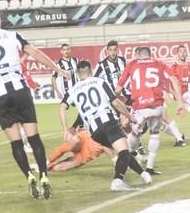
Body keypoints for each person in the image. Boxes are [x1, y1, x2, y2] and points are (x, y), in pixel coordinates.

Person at [0, 8, 69, 199]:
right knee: (34, 138)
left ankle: (28, 175)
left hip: (0, 95)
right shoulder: (12, 35)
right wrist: (57, 69)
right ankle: (44, 176)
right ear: (0, 22)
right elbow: (34, 52)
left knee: (16, 143)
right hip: (20, 90)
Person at [59, 60, 151, 191]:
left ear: (78, 74)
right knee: (124, 153)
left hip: (95, 132)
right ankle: (117, 181)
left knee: (124, 151)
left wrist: (65, 129)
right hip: (108, 123)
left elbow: (62, 107)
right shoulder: (99, 81)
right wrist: (129, 116)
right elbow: (115, 103)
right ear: (91, 70)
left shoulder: (73, 90)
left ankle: (143, 174)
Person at [116, 47, 183, 177]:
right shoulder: (159, 63)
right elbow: (174, 80)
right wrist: (180, 102)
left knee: (134, 136)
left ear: (139, 55)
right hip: (157, 106)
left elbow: (118, 89)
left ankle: (124, 162)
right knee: (154, 133)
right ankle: (150, 168)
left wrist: (116, 100)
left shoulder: (132, 64)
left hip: (140, 107)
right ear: (150, 55)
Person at [0, 53, 40, 154]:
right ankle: (23, 146)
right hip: (15, 94)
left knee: (3, 122)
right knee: (25, 121)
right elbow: (27, 77)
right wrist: (34, 86)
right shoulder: (18, 64)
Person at [47, 128, 116, 172]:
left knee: (61, 168)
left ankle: (47, 167)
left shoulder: (121, 136)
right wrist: (114, 159)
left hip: (89, 152)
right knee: (73, 142)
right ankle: (47, 162)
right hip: (85, 138)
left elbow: (106, 146)